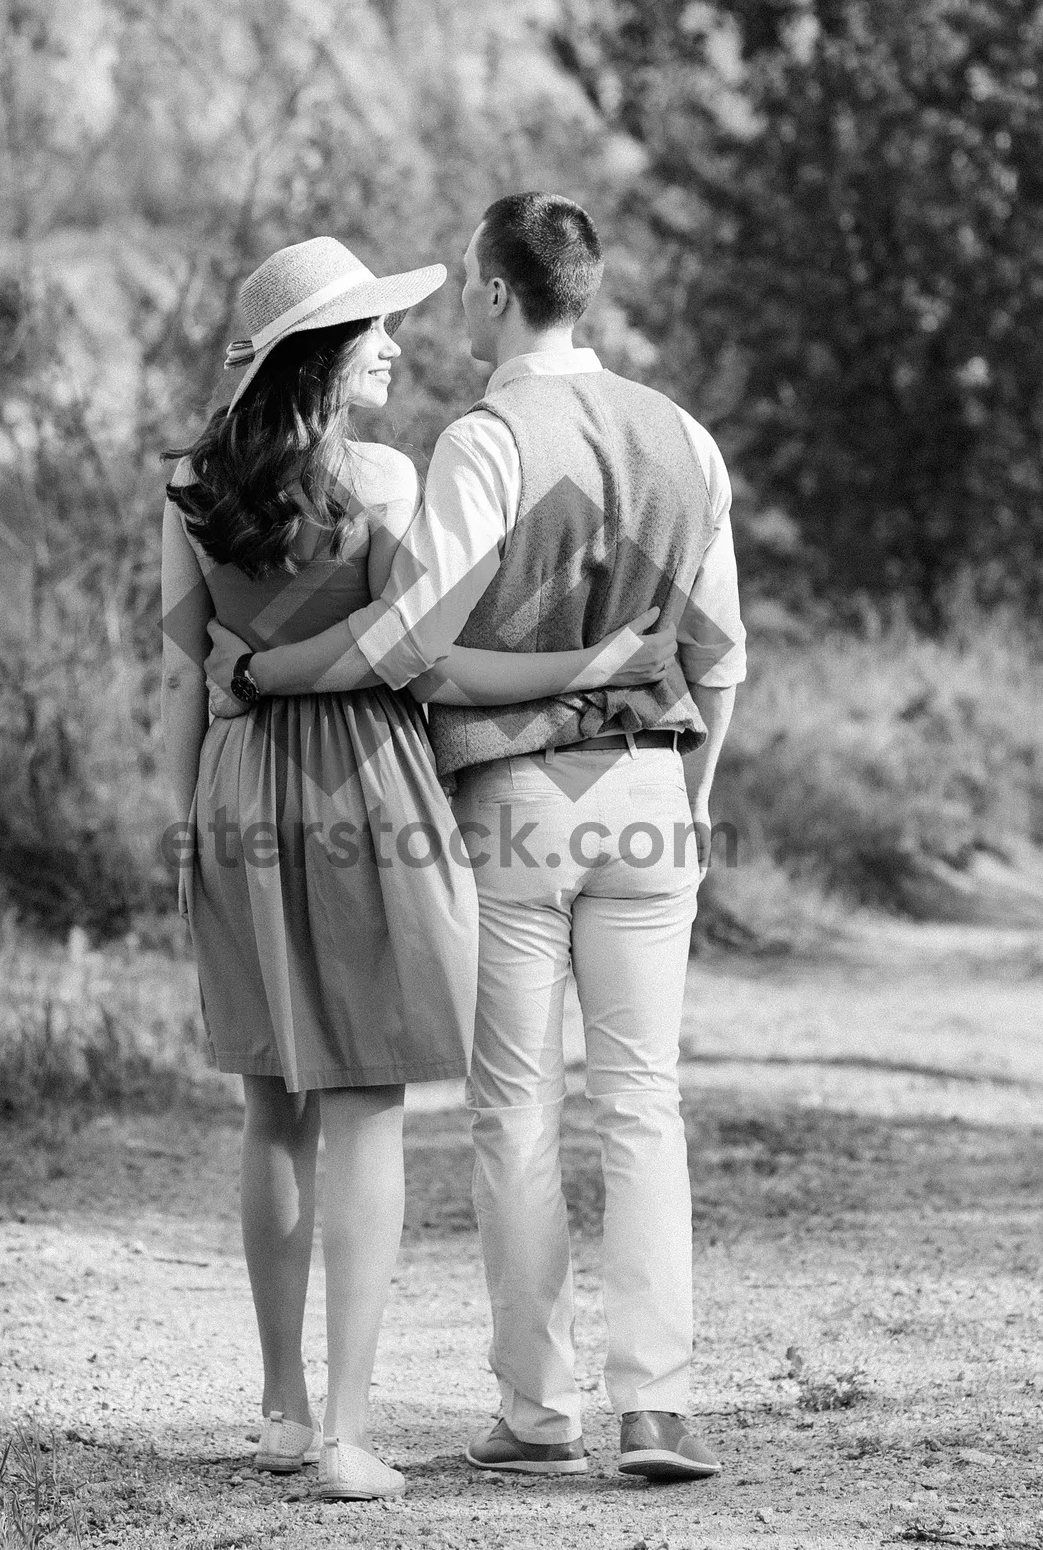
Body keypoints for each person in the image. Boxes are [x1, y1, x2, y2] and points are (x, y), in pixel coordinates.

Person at [205, 194, 746, 1484]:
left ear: (498, 293)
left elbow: (412, 642)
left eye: (467, 287)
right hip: (653, 798)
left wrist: (280, 678)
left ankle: (540, 1411)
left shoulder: (487, 440)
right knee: (646, 1102)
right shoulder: (685, 436)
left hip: (516, 801)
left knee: (518, 1109)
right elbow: (721, 657)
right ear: (591, 292)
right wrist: (695, 793)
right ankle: (655, 1408)